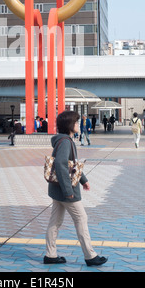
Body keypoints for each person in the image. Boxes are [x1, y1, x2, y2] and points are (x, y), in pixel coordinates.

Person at [44, 110, 107, 267]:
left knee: (55, 221)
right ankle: (90, 256)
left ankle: (50, 255)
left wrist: (83, 180)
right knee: (81, 218)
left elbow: (72, 165)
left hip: (56, 190)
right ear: (69, 125)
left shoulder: (62, 140)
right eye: (76, 122)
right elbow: (61, 164)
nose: (79, 124)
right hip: (65, 191)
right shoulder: (66, 142)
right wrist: (68, 191)